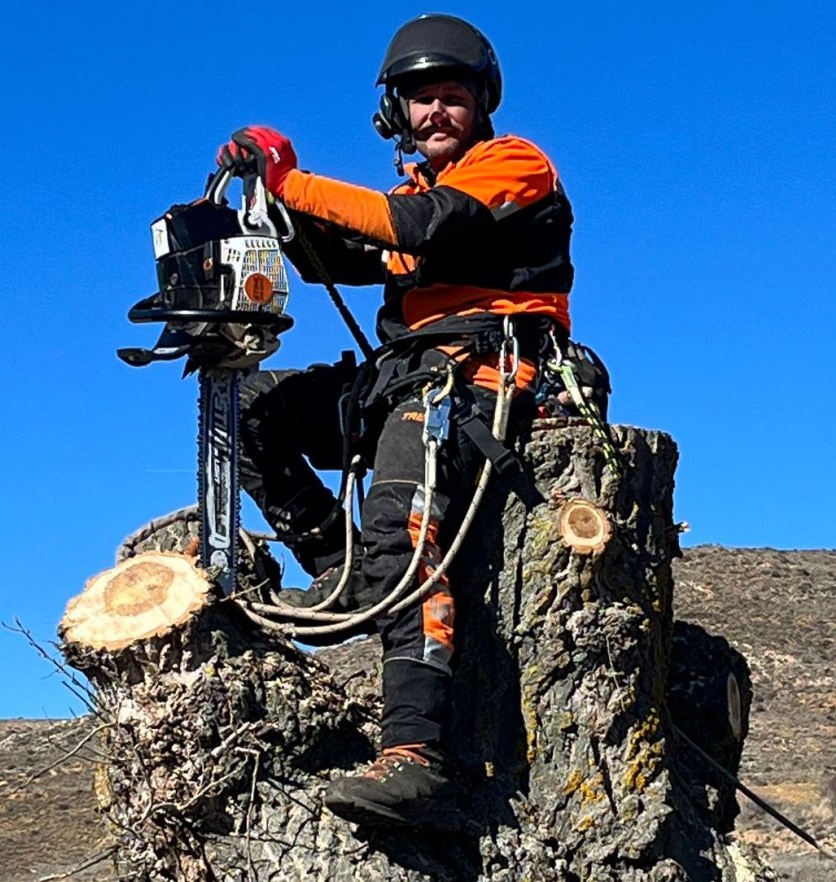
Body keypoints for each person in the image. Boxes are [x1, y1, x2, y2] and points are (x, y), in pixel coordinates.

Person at [216, 13, 574, 829]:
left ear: (481, 103)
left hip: (482, 379)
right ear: (396, 114)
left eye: (452, 96)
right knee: (251, 414)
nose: (436, 112)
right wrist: (261, 213)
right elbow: (339, 252)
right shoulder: (412, 195)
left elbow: (421, 229)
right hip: (403, 376)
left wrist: (289, 179)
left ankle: (416, 758)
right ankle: (347, 576)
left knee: (403, 530)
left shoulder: (512, 165)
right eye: (421, 100)